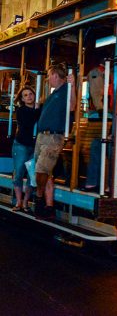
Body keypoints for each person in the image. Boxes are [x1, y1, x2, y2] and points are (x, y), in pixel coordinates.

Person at [34, 64, 76, 219]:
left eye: (50, 75)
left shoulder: (66, 89)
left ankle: (38, 198)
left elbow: (72, 106)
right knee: (46, 173)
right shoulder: (54, 93)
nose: (47, 79)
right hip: (41, 136)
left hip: (53, 137)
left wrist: (73, 86)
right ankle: (49, 207)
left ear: (57, 76)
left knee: (41, 171)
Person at [12, 86, 41, 212]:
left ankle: (25, 202)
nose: (29, 96)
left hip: (35, 145)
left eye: (31, 94)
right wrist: (37, 111)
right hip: (21, 145)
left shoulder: (40, 108)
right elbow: (27, 124)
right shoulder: (21, 110)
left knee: (31, 175)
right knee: (18, 173)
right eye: (25, 95)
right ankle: (18, 201)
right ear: (22, 99)